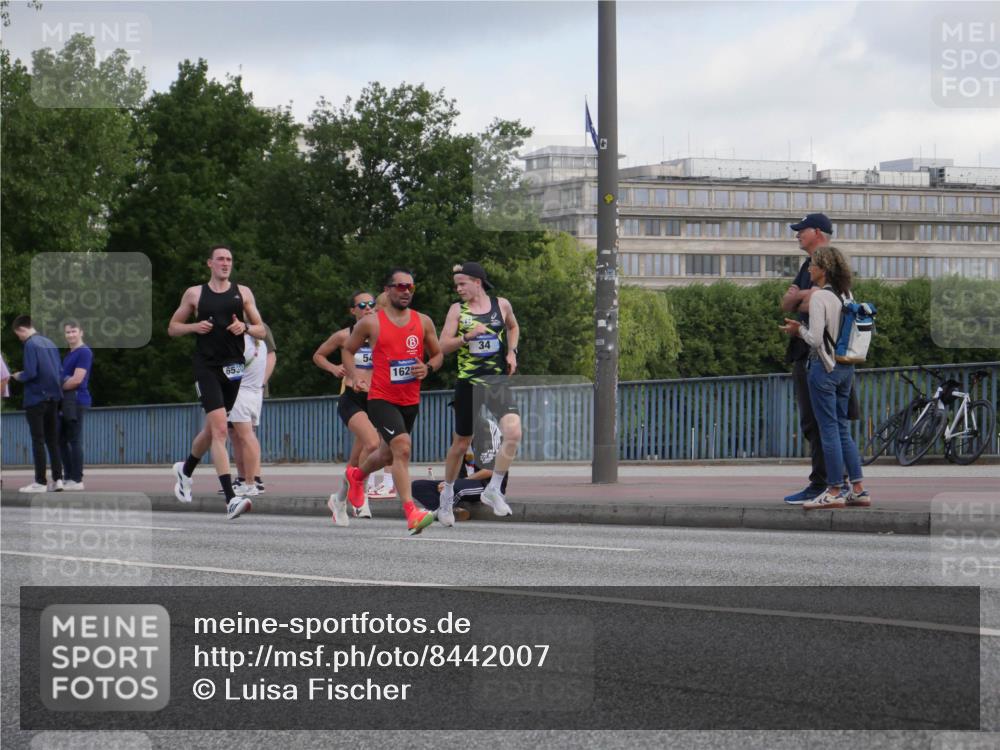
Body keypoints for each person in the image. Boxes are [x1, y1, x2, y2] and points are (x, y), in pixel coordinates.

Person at [328, 268, 443, 534]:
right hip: (380, 397)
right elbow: (348, 349)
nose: (405, 291)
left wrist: (428, 367)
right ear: (388, 289)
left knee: (386, 453)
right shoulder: (371, 323)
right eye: (400, 286)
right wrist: (354, 375)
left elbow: (437, 355)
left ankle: (356, 476)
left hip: (410, 398)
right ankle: (411, 513)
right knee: (402, 447)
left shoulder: (423, 321)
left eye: (410, 288)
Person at [167, 245, 266, 520]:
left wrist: (245, 327)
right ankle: (231, 500)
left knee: (213, 429)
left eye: (229, 259)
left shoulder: (243, 292)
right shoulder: (195, 293)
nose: (225, 263)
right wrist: (193, 327)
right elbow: (172, 328)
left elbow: (262, 329)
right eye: (220, 259)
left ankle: (185, 470)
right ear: (209, 263)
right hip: (206, 367)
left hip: (234, 368)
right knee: (221, 429)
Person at [781, 246, 870, 510]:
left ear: (823, 270)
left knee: (828, 429)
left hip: (824, 368)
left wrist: (798, 330)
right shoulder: (845, 294)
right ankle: (858, 488)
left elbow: (816, 339)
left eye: (812, 266)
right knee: (843, 429)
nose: (809, 270)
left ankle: (833, 490)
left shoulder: (820, 298)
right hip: (846, 368)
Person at [436, 261, 521, 525]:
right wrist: (467, 336)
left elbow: (513, 327)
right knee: (462, 443)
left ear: (477, 282)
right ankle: (447, 496)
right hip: (468, 383)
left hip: (495, 382)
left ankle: (494, 488)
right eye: (456, 285)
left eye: (462, 284)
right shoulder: (457, 311)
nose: (458, 289)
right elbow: (442, 345)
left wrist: (511, 352)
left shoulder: (501, 305)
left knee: (514, 432)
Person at [312, 291, 382, 519]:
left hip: (376, 399)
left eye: (372, 304)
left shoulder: (381, 335)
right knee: (373, 445)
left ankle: (339, 498)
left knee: (356, 459)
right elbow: (318, 355)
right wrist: (334, 368)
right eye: (362, 305)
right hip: (352, 397)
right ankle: (362, 500)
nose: (368, 308)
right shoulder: (345, 335)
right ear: (353, 311)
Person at [780, 213, 832, 505]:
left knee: (819, 421)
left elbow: (814, 300)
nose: (797, 234)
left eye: (802, 230)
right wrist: (800, 295)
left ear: (818, 231)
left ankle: (825, 483)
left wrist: (800, 296)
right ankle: (834, 483)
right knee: (816, 422)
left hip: (817, 350)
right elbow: (787, 302)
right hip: (805, 348)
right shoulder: (806, 264)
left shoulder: (827, 261)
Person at [411, 404, 510, 520]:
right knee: (417, 486)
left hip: (485, 484)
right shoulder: (460, 433)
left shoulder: (487, 429)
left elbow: (489, 471)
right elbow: (456, 463)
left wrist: (458, 482)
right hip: (464, 482)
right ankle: (451, 511)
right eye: (456, 411)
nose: (458, 414)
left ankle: (439, 511)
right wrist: (448, 482)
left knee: (454, 488)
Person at [10, 315, 64, 492]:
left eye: (18, 335)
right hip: (54, 398)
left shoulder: (30, 345)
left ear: (22, 330)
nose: (19, 338)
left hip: (36, 399)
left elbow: (31, 372)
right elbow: (59, 371)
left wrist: (18, 376)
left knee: (38, 440)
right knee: (52, 441)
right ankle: (58, 480)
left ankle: (40, 482)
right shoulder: (49, 342)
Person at [225, 322, 276, 498]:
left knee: (246, 436)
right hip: (253, 392)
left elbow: (231, 371)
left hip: (240, 392)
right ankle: (246, 480)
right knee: (242, 434)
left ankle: (251, 481)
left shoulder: (242, 340)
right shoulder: (258, 342)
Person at [59, 320, 93, 490]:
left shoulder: (84, 352)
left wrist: (58, 387)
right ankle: (69, 476)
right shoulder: (69, 354)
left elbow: (77, 380)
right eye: (67, 332)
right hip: (67, 402)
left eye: (73, 331)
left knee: (74, 439)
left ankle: (77, 480)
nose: (71, 335)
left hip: (77, 401)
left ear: (81, 332)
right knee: (61, 440)